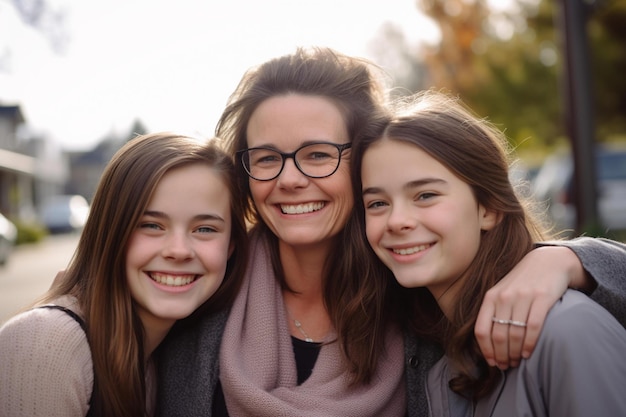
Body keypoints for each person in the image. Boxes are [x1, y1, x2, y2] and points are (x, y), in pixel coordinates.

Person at [157, 47, 626, 417]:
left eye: (317, 154)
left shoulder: (416, 285)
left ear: (363, 163)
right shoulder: (206, 284)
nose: (290, 178)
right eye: (266, 158)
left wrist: (571, 259)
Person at [354, 90, 626, 416]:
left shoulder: (568, 330)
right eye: (378, 203)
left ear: (489, 208)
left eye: (425, 195)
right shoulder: (415, 343)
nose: (397, 221)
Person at [0, 132, 248, 417]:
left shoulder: (163, 360)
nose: (179, 251)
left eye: (205, 229)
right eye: (151, 225)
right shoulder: (44, 343)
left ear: (230, 246)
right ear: (110, 231)